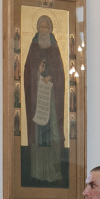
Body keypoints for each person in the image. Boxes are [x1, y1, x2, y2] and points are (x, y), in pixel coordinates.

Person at [23, 14, 66, 186]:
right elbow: (27, 74)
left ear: (50, 29)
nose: (43, 30)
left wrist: (51, 78)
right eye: (41, 27)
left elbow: (62, 75)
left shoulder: (55, 48)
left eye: (46, 27)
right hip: (37, 102)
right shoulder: (33, 48)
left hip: (52, 101)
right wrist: (38, 74)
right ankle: (38, 172)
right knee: (39, 135)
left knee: (54, 133)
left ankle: (54, 172)